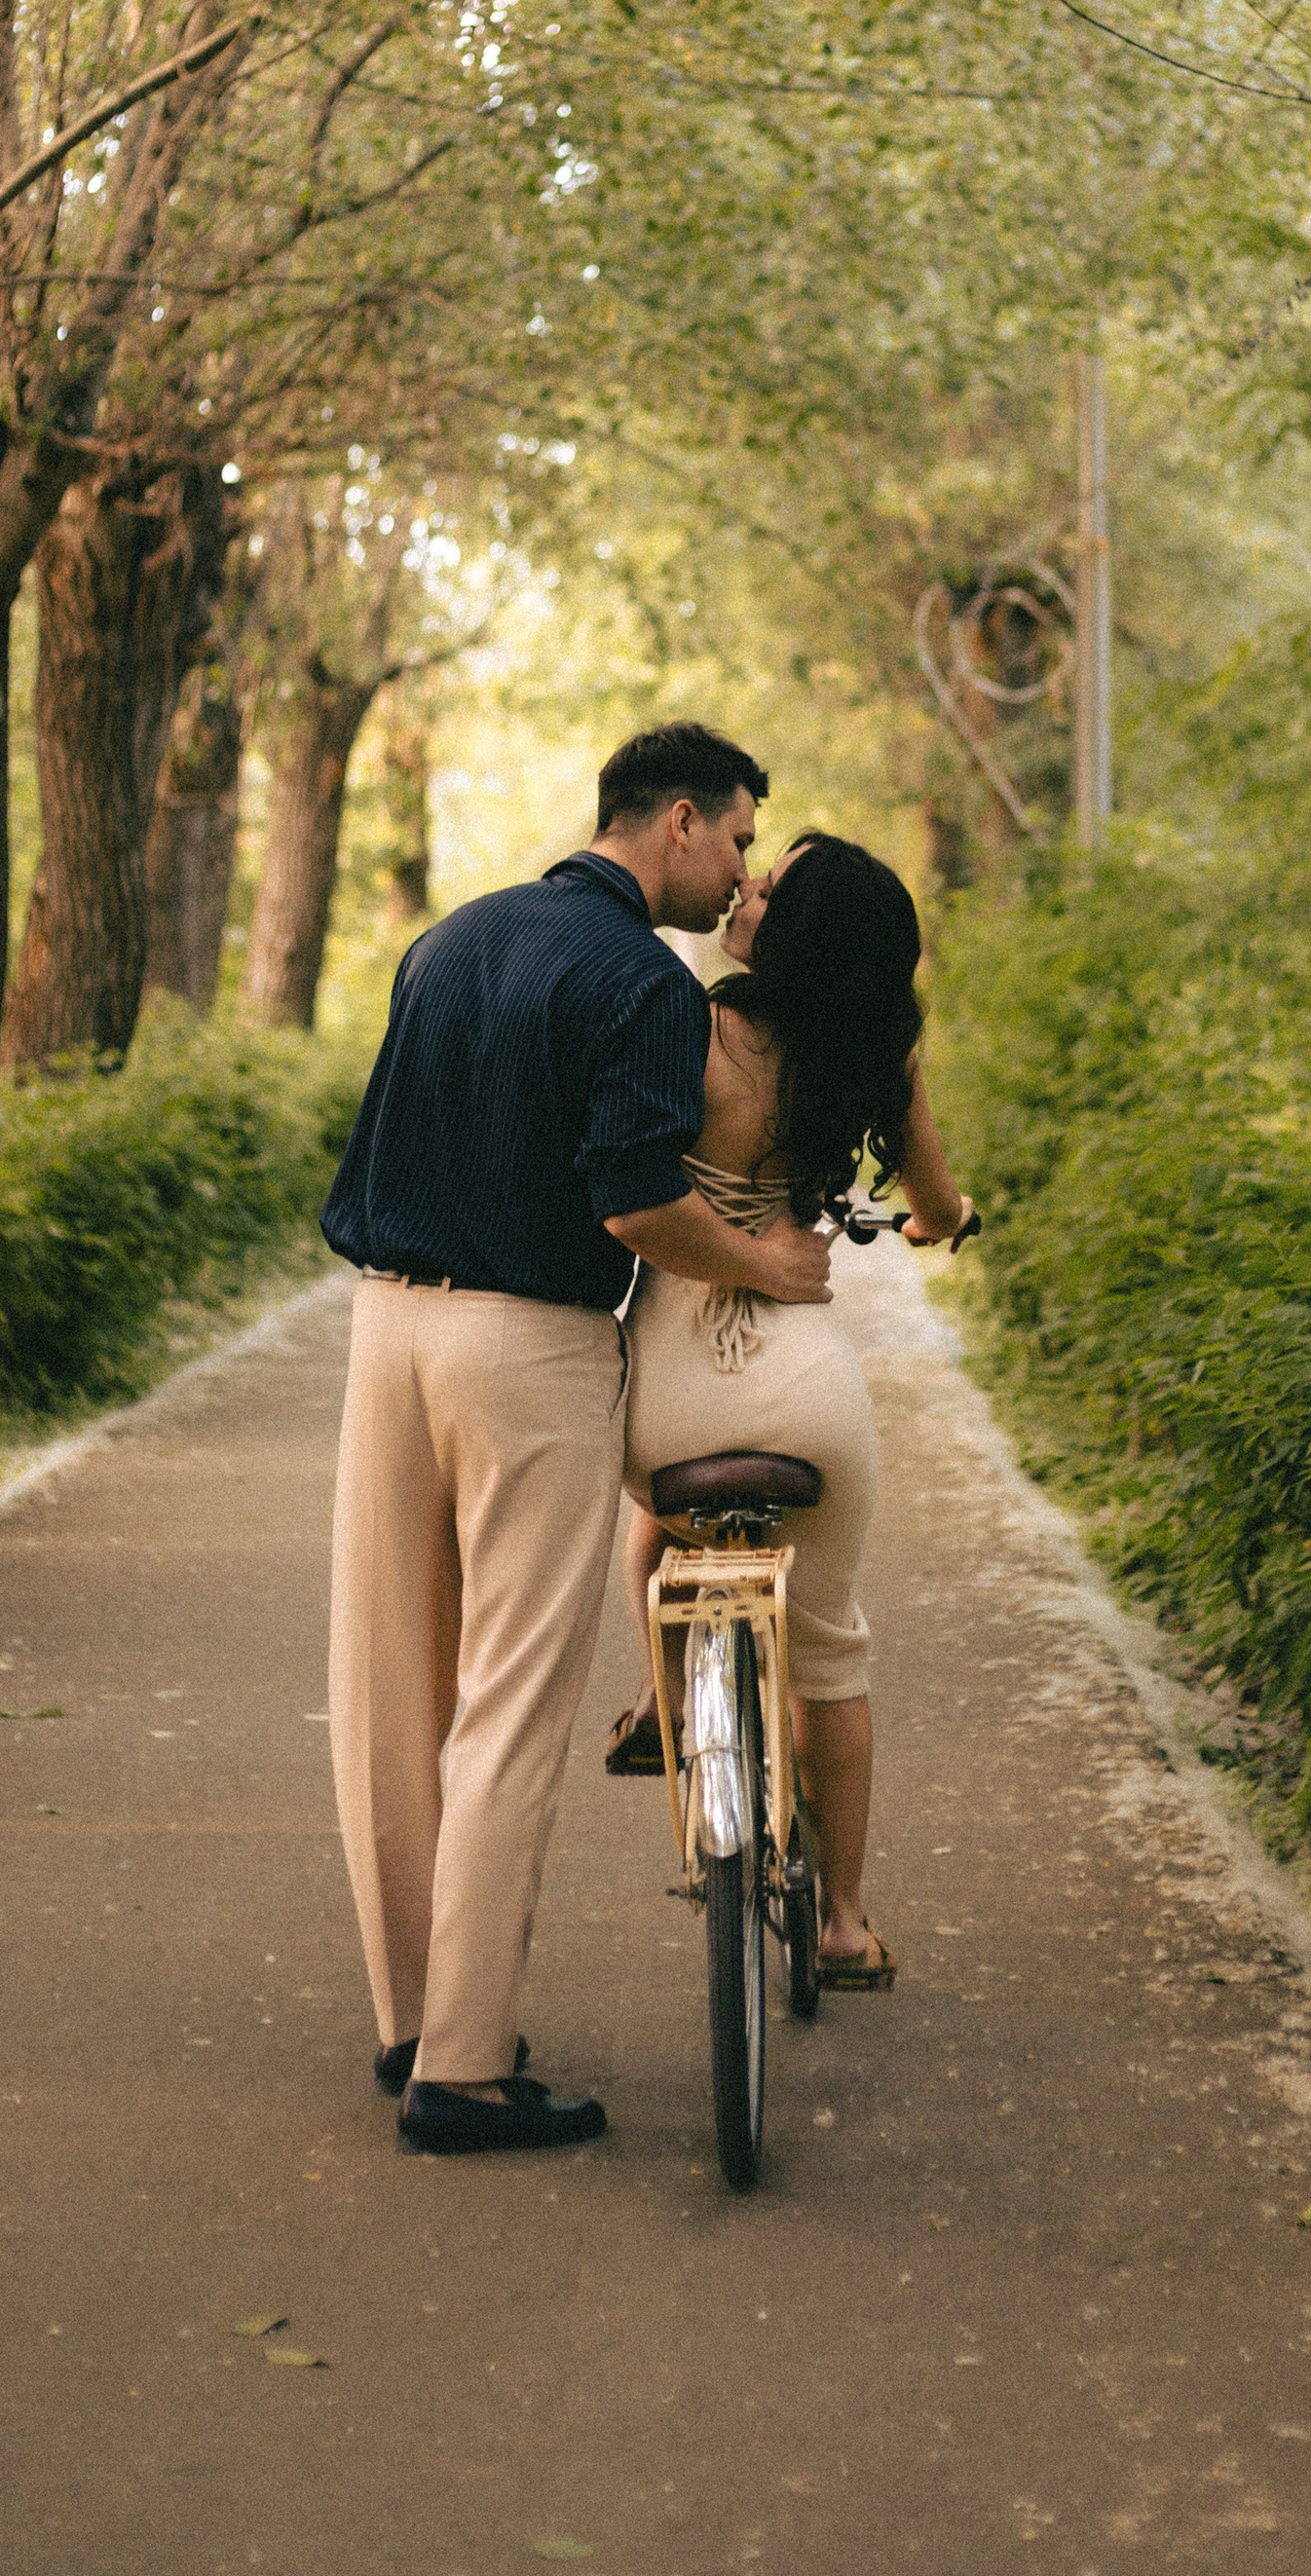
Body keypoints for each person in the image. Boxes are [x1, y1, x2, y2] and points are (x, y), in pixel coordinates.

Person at [319, 720, 835, 2157]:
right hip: (526, 1342)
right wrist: (764, 1261)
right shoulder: (641, 983)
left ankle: (413, 2020)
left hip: (383, 1326)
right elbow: (634, 1206)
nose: (738, 871)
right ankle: (468, 2076)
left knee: (389, 1691)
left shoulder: (454, 937)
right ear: (676, 820)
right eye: (734, 837)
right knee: (511, 1697)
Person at [606, 832, 975, 1990]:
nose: (746, 886)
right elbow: (933, 1199)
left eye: (770, 884)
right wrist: (941, 1223)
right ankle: (847, 1923)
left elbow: (636, 1181)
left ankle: (669, 1702)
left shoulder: (690, 1027)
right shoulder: (877, 1057)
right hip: (807, 1396)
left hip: (665, 1394)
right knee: (830, 1650)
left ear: (792, 930)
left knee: (653, 1542)